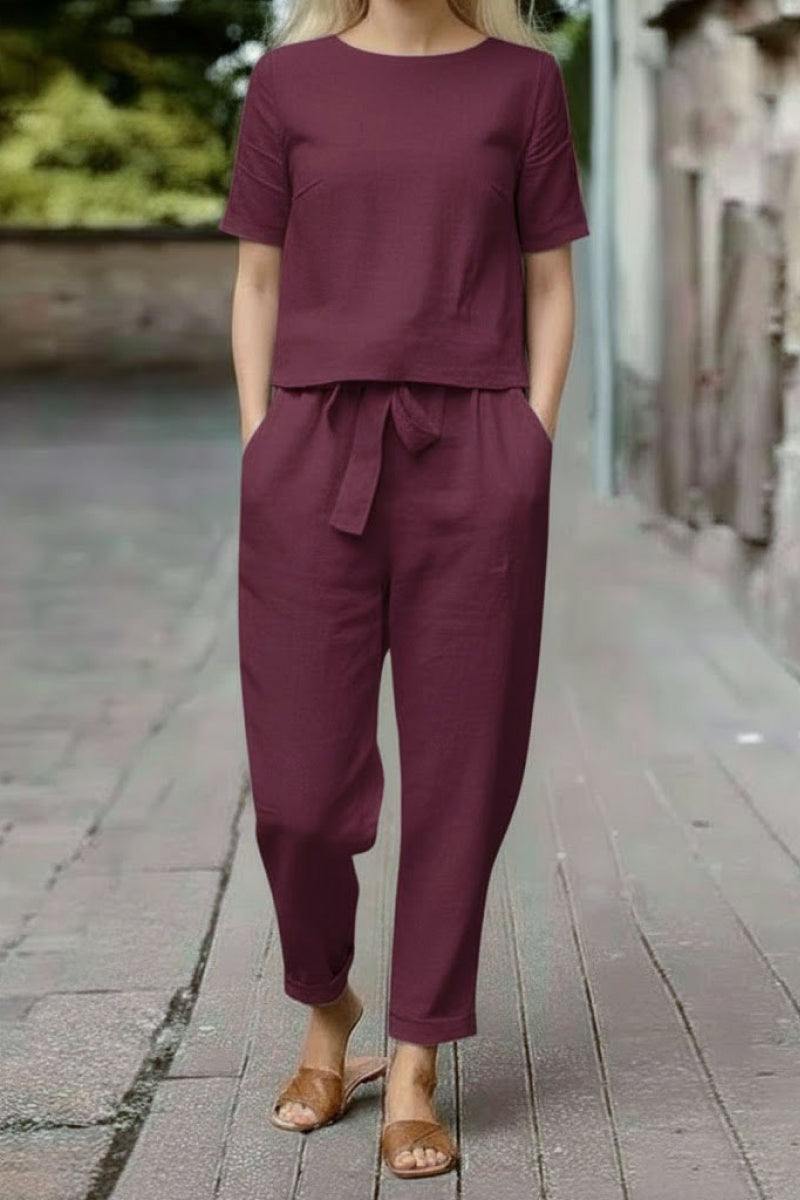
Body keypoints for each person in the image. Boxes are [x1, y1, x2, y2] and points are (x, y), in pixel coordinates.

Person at [218, 0, 588, 1180]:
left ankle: (416, 1061)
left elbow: (548, 286)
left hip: (473, 459)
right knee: (297, 792)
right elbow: (258, 282)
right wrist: (262, 446)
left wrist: (526, 449)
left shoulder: (520, 85)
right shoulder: (290, 84)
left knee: (460, 777)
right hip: (311, 452)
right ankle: (326, 1003)